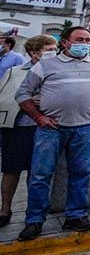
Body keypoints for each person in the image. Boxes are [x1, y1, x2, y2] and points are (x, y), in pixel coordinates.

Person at [14, 26, 90, 240]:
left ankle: (76, 215)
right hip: (51, 129)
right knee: (41, 175)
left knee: (81, 173)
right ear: (65, 43)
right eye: (79, 39)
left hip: (86, 127)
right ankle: (34, 220)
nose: (84, 43)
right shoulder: (45, 65)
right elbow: (23, 93)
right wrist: (39, 118)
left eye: (87, 40)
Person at [0, 34, 56, 227]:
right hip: (17, 128)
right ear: (34, 53)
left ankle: (33, 214)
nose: (54, 53)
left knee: (38, 174)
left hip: (44, 129)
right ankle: (4, 209)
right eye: (49, 50)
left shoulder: (57, 71)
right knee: (10, 171)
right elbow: (5, 95)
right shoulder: (15, 71)